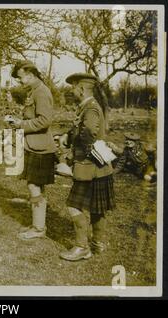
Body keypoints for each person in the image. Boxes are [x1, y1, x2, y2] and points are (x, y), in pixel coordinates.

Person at [59, 73, 115, 261]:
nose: (72, 91)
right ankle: (98, 243)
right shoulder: (90, 106)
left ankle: (82, 247)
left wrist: (76, 154)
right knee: (98, 207)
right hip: (101, 166)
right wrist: (69, 135)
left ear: (81, 89)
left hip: (88, 166)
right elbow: (84, 129)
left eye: (73, 87)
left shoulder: (90, 108)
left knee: (74, 206)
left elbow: (89, 131)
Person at [10, 60, 57, 240]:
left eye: (21, 78)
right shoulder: (35, 91)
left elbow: (45, 120)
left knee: (33, 185)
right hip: (35, 145)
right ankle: (38, 224)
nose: (20, 82)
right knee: (36, 186)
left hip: (40, 147)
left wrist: (21, 124)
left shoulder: (41, 92)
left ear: (30, 75)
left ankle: (38, 229)